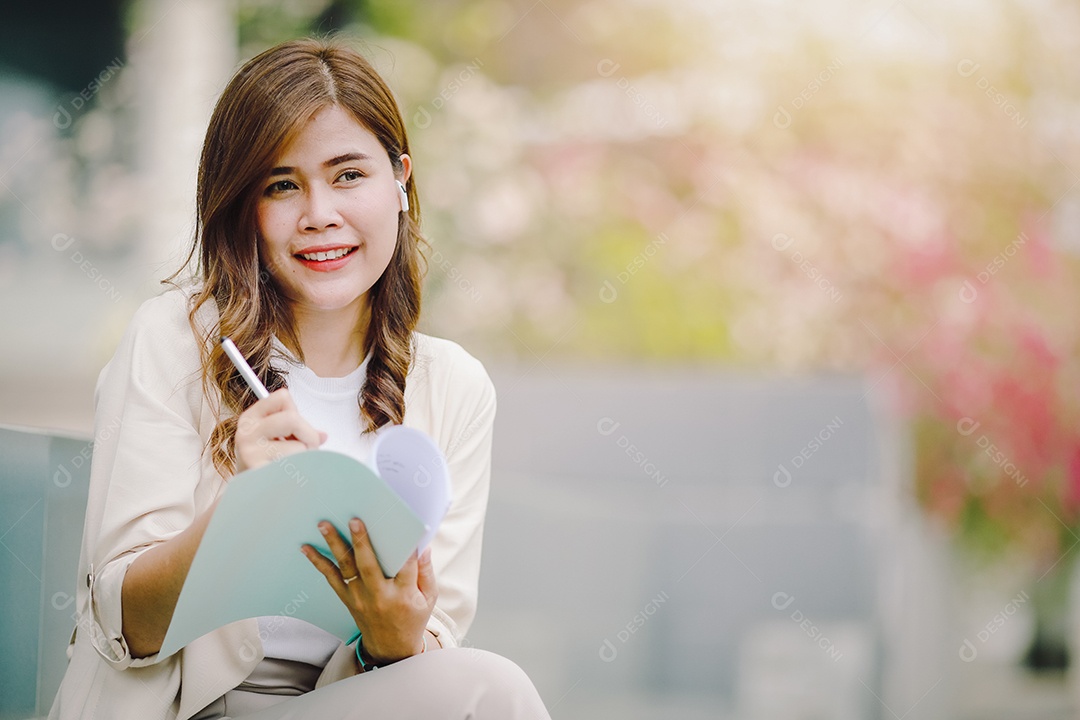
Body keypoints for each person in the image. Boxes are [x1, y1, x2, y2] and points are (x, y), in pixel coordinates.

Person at [48, 37, 552, 720]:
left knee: (485, 687)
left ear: (400, 180)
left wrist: (394, 638)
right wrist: (238, 515)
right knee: (497, 692)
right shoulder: (171, 342)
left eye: (348, 175)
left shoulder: (454, 388)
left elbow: (433, 653)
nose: (320, 214)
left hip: (345, 702)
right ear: (244, 210)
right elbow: (125, 625)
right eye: (282, 185)